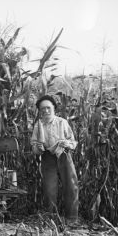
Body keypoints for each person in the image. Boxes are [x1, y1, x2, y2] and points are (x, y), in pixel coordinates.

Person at [30, 94, 79, 224]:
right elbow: (34, 148)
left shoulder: (62, 122)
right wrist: (38, 148)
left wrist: (66, 144)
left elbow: (73, 142)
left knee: (71, 186)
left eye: (48, 108)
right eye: (42, 109)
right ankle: (50, 219)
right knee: (49, 189)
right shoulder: (38, 125)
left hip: (64, 155)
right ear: (39, 111)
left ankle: (72, 219)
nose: (45, 111)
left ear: (53, 108)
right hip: (47, 158)